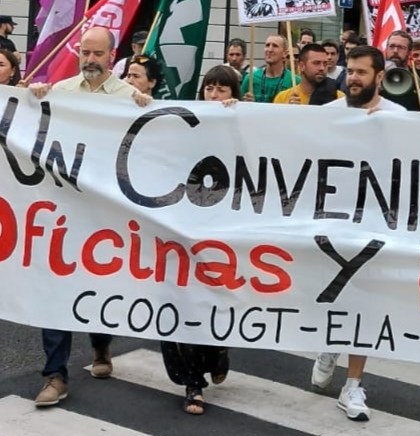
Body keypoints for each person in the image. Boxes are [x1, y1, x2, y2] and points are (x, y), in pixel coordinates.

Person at [25, 27, 149, 407]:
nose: (90, 60)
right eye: (85, 53)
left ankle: (100, 344)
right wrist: (31, 99)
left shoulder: (132, 99)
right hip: (63, 211)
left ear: (112, 58)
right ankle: (55, 374)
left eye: (97, 54)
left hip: (105, 215)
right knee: (55, 289)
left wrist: (151, 108)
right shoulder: (60, 92)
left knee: (97, 286)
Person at [309, 45, 404, 422]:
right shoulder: (327, 115)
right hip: (330, 222)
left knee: (365, 299)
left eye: (362, 72)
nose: (353, 78)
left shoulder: (399, 117)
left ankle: (353, 384)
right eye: (350, 71)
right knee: (333, 294)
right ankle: (331, 342)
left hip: (375, 224)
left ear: (379, 76)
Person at [162, 64, 242, 414]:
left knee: (213, 297)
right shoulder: (185, 125)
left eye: (222, 89)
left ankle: (217, 350)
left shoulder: (242, 123)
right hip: (184, 224)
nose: (213, 95)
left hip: (222, 227)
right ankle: (194, 384)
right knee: (182, 300)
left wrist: (242, 117)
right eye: (209, 88)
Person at [382, 31, 420, 113]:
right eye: (391, 46)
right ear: (386, 49)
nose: (395, 51)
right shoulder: (375, 77)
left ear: (409, 52)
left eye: (401, 47)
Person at [273, 42, 343, 105]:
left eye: (325, 63)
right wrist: (287, 111)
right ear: (302, 66)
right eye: (316, 63)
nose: (322, 68)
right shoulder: (282, 99)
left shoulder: (339, 98)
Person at [248, 35, 295, 103]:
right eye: (267, 45)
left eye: (275, 46)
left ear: (285, 53)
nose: (269, 50)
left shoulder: (294, 81)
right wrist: (245, 103)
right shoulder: (251, 79)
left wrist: (297, 106)